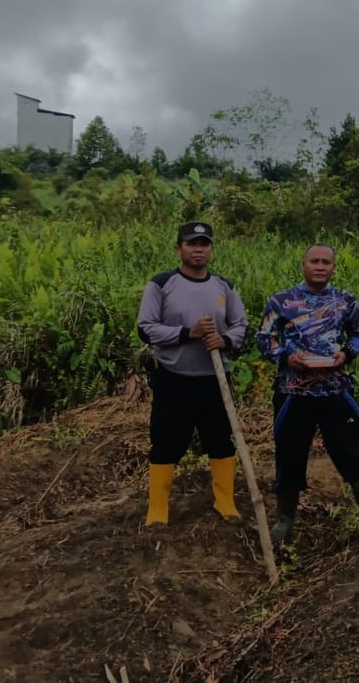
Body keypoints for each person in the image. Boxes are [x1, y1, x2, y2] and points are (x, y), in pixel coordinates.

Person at [257, 244, 359, 542]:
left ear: (333, 267)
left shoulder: (346, 300)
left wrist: (347, 353)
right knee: (289, 453)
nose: (320, 267)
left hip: (335, 389)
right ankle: (284, 520)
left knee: (352, 448)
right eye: (314, 261)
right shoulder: (281, 300)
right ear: (303, 264)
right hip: (293, 392)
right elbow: (265, 338)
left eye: (326, 262)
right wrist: (286, 358)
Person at [137, 221, 248, 526]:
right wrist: (188, 333)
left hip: (214, 379)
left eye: (204, 244)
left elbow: (241, 325)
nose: (198, 249)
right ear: (179, 248)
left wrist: (225, 340)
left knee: (220, 439)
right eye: (191, 244)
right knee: (166, 441)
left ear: (211, 248)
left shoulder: (224, 286)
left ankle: (225, 501)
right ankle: (157, 509)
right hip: (173, 378)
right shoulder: (161, 284)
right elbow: (146, 328)